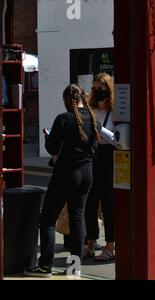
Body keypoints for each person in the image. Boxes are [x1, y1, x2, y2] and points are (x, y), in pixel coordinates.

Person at [24, 84, 101, 278]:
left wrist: (50, 136)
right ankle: (74, 268)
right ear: (83, 97)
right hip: (86, 173)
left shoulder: (63, 119)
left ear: (67, 100)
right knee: (77, 219)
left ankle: (45, 267)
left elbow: (52, 147)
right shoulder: (93, 120)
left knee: (48, 218)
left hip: (67, 173)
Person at [83, 73, 116, 262]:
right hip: (92, 157)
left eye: (101, 89)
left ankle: (110, 244)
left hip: (109, 158)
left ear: (108, 90)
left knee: (109, 204)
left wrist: (99, 128)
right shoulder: (91, 109)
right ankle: (90, 242)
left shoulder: (115, 112)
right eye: (94, 89)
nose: (97, 92)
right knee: (90, 202)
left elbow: (116, 138)